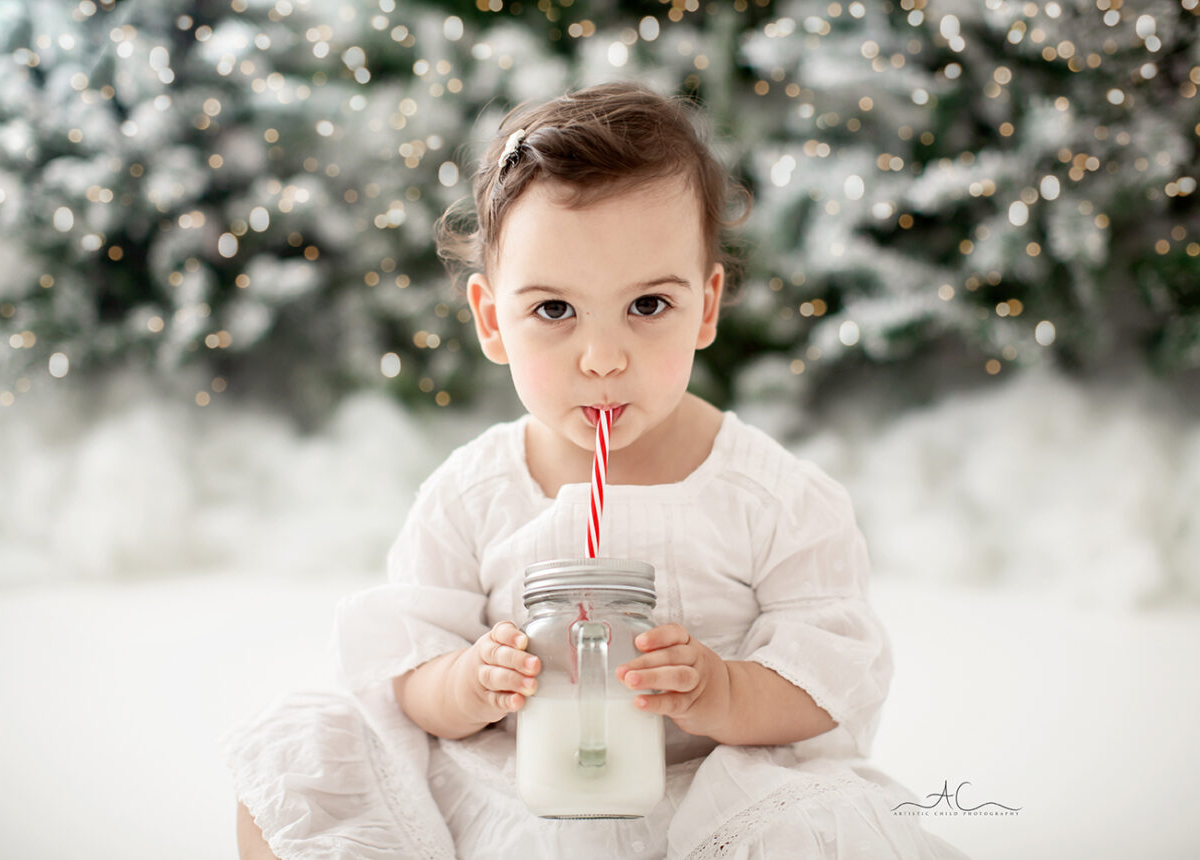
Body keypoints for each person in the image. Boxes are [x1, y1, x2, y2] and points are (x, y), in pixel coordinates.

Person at [223, 81, 968, 859]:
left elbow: (830, 680)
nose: (604, 359)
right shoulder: (472, 496)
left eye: (648, 306)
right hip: (517, 796)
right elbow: (409, 670)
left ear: (707, 305)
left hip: (715, 804)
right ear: (492, 320)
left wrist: (723, 690)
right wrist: (470, 683)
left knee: (820, 829)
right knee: (308, 759)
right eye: (554, 310)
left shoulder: (772, 499)